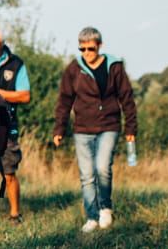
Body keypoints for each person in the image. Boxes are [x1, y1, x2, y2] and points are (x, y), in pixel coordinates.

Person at [52, 27, 137, 233]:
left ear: (99, 46)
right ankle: (91, 216)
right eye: (82, 49)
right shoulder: (74, 68)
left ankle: (105, 207)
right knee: (87, 174)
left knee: (102, 167)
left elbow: (127, 98)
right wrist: (59, 128)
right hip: (82, 127)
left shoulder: (114, 67)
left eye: (91, 48)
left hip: (109, 124)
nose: (87, 53)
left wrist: (131, 127)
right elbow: (65, 99)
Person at [0, 26, 31, 224]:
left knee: (8, 171)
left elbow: (24, 95)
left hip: (6, 125)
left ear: (2, 45)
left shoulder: (16, 64)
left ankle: (15, 213)